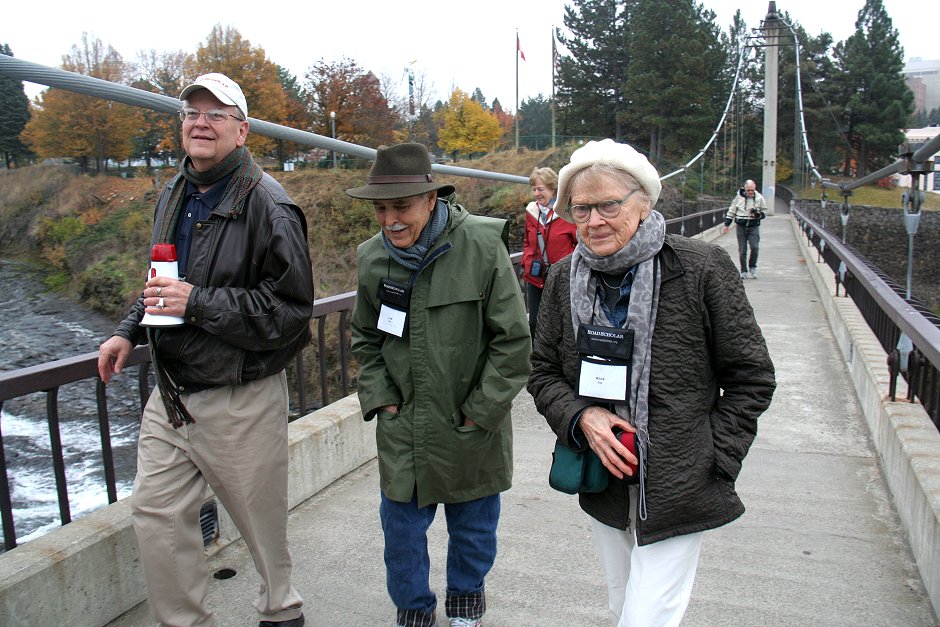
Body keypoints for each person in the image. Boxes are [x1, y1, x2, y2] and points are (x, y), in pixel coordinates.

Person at [527, 139, 775, 627]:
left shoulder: (701, 269)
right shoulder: (562, 279)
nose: (594, 221)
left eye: (609, 205)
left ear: (644, 203)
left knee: (645, 618)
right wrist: (582, 417)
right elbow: (543, 372)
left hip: (681, 479)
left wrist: (715, 458)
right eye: (581, 209)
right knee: (622, 606)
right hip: (604, 474)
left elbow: (752, 377)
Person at [97, 72, 313, 627]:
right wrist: (126, 328)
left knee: (261, 530)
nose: (201, 122)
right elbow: (161, 277)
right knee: (155, 515)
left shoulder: (271, 205)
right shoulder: (175, 190)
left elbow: (290, 315)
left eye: (216, 114)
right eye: (192, 112)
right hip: (171, 391)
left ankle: (280, 611)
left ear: (241, 132)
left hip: (239, 394)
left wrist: (196, 304)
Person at [348, 143, 531, 627]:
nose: (390, 220)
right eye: (381, 208)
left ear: (431, 199)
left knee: (473, 525)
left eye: (401, 206)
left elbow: (513, 341)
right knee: (401, 533)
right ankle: (413, 607)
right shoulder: (371, 259)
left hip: (469, 417)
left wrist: (481, 410)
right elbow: (365, 340)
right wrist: (382, 399)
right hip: (403, 421)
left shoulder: (481, 245)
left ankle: (467, 597)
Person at [522, 166, 577, 337]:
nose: (537, 193)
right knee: (535, 323)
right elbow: (527, 241)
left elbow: (580, 244)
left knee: (561, 322)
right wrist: (528, 262)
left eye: (540, 189)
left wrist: (569, 267)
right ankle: (538, 361)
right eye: (534, 189)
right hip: (536, 276)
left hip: (562, 278)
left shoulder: (567, 213)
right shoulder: (532, 212)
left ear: (553, 189)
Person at [722, 179, 768, 279]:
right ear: (745, 189)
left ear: (755, 189)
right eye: (749, 190)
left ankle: (753, 267)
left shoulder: (759, 198)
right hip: (741, 226)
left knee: (755, 248)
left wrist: (758, 215)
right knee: (742, 250)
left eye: (752, 190)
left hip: (753, 226)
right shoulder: (738, 198)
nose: (750, 192)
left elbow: (765, 211)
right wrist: (726, 225)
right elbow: (731, 211)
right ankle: (743, 270)